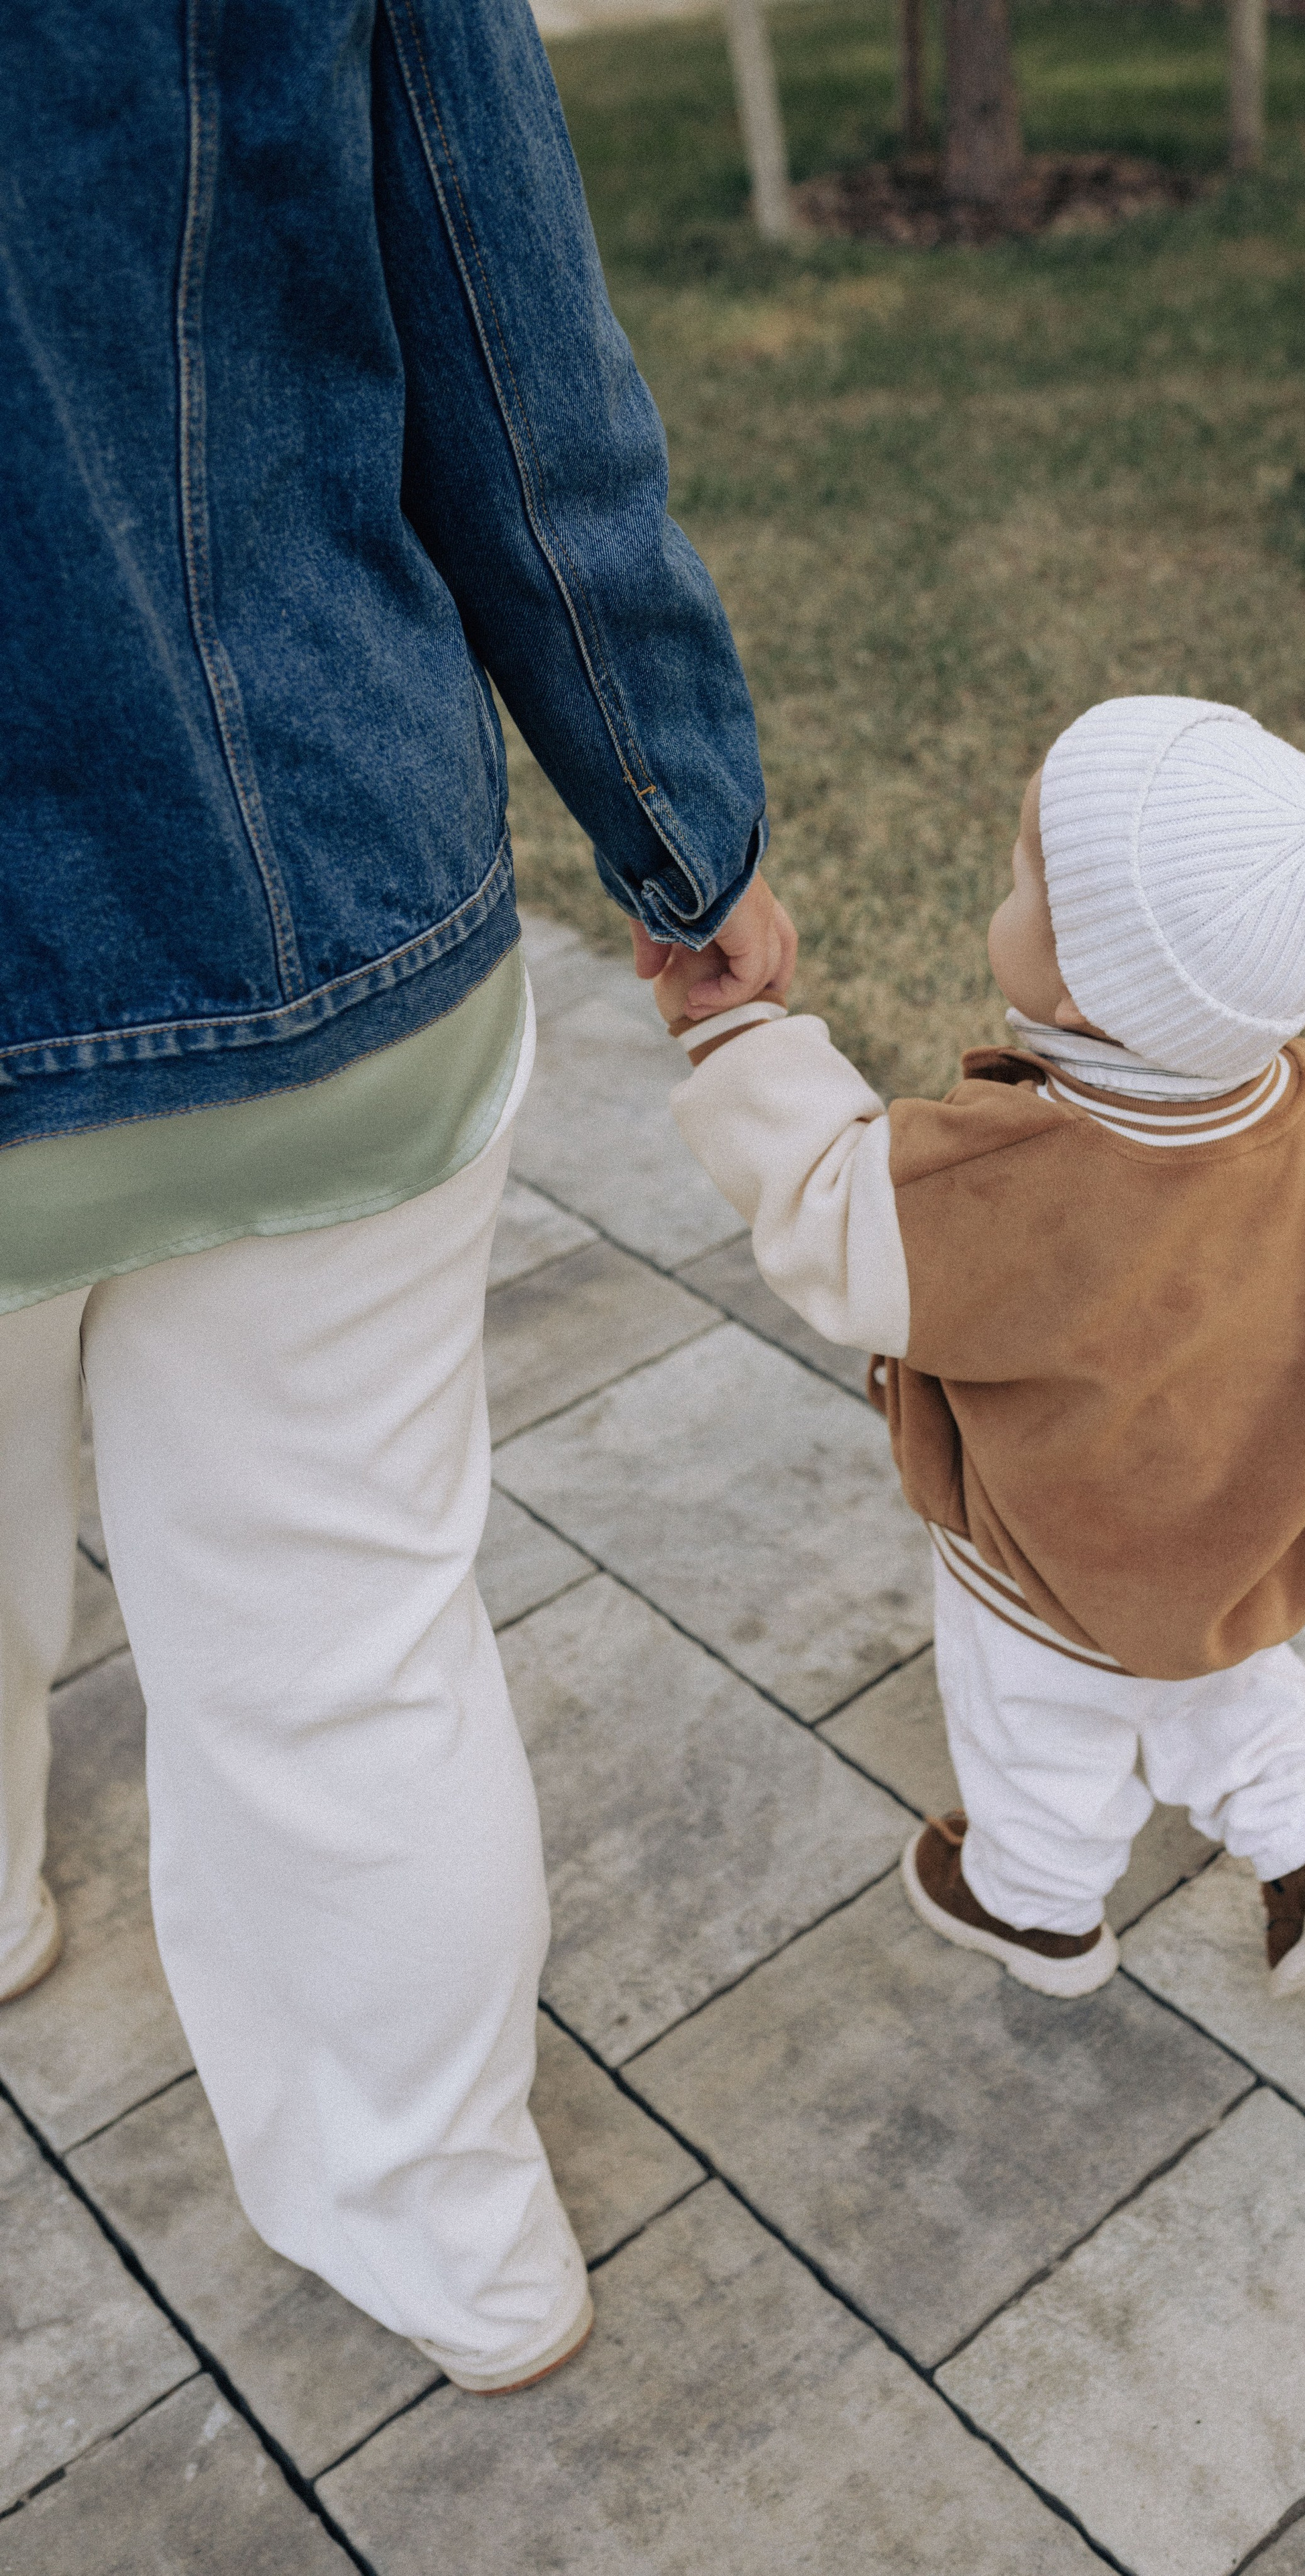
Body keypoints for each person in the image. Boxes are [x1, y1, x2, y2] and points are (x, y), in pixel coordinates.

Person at [0, 0, 791, 2394]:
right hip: (305, 897)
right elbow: (508, 334)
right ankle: (449, 2227)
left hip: (294, 909)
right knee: (343, 1651)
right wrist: (691, 840)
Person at [659, 696, 1305, 2002]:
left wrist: (738, 1035)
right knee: (1233, 1681)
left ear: (1078, 983)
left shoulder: (1018, 1179)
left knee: (1036, 1724)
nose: (1006, 889)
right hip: (1238, 1524)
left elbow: (834, 1203)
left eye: (1024, 880)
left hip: (1043, 1548)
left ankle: (1031, 1904)